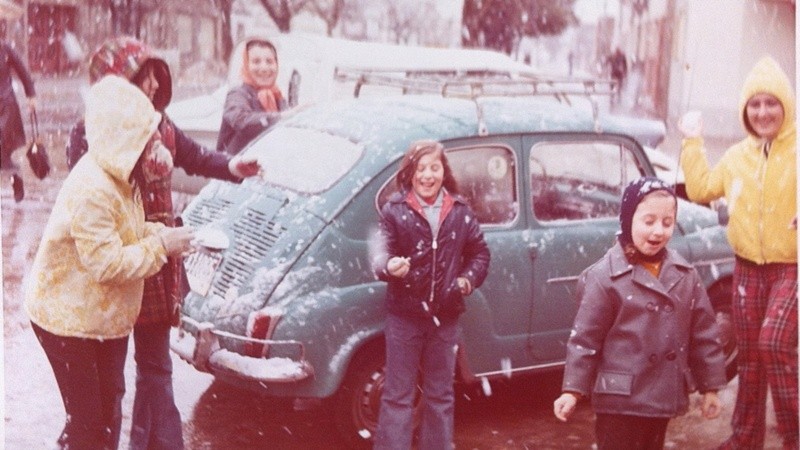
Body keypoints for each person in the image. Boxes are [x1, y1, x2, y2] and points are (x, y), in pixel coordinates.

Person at [65, 36, 262, 450]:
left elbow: (194, 156)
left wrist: (232, 165)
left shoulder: (163, 125)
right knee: (110, 382)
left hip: (157, 263)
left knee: (156, 367)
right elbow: (89, 205)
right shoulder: (89, 132)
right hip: (118, 268)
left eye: (157, 77)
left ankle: (156, 445)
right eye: (142, 77)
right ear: (114, 83)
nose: (153, 87)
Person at [24, 74, 196, 450]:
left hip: (100, 317)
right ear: (123, 138)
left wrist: (162, 236)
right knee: (88, 423)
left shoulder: (122, 175)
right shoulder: (94, 188)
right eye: (144, 139)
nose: (152, 147)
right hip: (66, 319)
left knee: (106, 409)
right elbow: (107, 265)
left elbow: (127, 235)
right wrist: (161, 247)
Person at [553, 176, 727, 450]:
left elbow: (703, 335)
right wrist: (573, 390)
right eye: (648, 222)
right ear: (627, 220)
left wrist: (711, 387)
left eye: (667, 223)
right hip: (619, 399)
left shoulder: (685, 276)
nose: (658, 231)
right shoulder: (604, 277)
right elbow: (585, 340)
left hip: (661, 397)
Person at [677, 55, 797, 450]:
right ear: (746, 111)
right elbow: (700, 189)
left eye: (772, 103)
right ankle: (745, 438)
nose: (763, 112)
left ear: (786, 105)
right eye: (755, 104)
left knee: (773, 344)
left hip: (791, 267)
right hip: (747, 267)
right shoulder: (737, 157)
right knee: (749, 357)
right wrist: (692, 141)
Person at [372, 139, 491, 449]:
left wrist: (466, 281)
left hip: (445, 318)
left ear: (443, 172)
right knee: (398, 395)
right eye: (421, 168)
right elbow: (380, 254)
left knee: (440, 395)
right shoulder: (394, 211)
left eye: (434, 168)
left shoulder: (460, 211)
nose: (428, 175)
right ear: (410, 173)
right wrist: (389, 265)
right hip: (404, 317)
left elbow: (480, 253)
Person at [216, 37, 287, 155]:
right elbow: (242, 121)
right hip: (235, 170)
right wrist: (282, 117)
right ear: (246, 65)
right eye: (256, 61)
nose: (264, 68)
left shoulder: (277, 97)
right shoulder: (237, 94)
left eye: (269, 61)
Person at [1, 39, 36, 201]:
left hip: (6, 107)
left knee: (3, 152)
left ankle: (16, 177)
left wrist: (30, 94)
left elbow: (22, 71)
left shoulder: (5, 48)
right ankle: (15, 177)